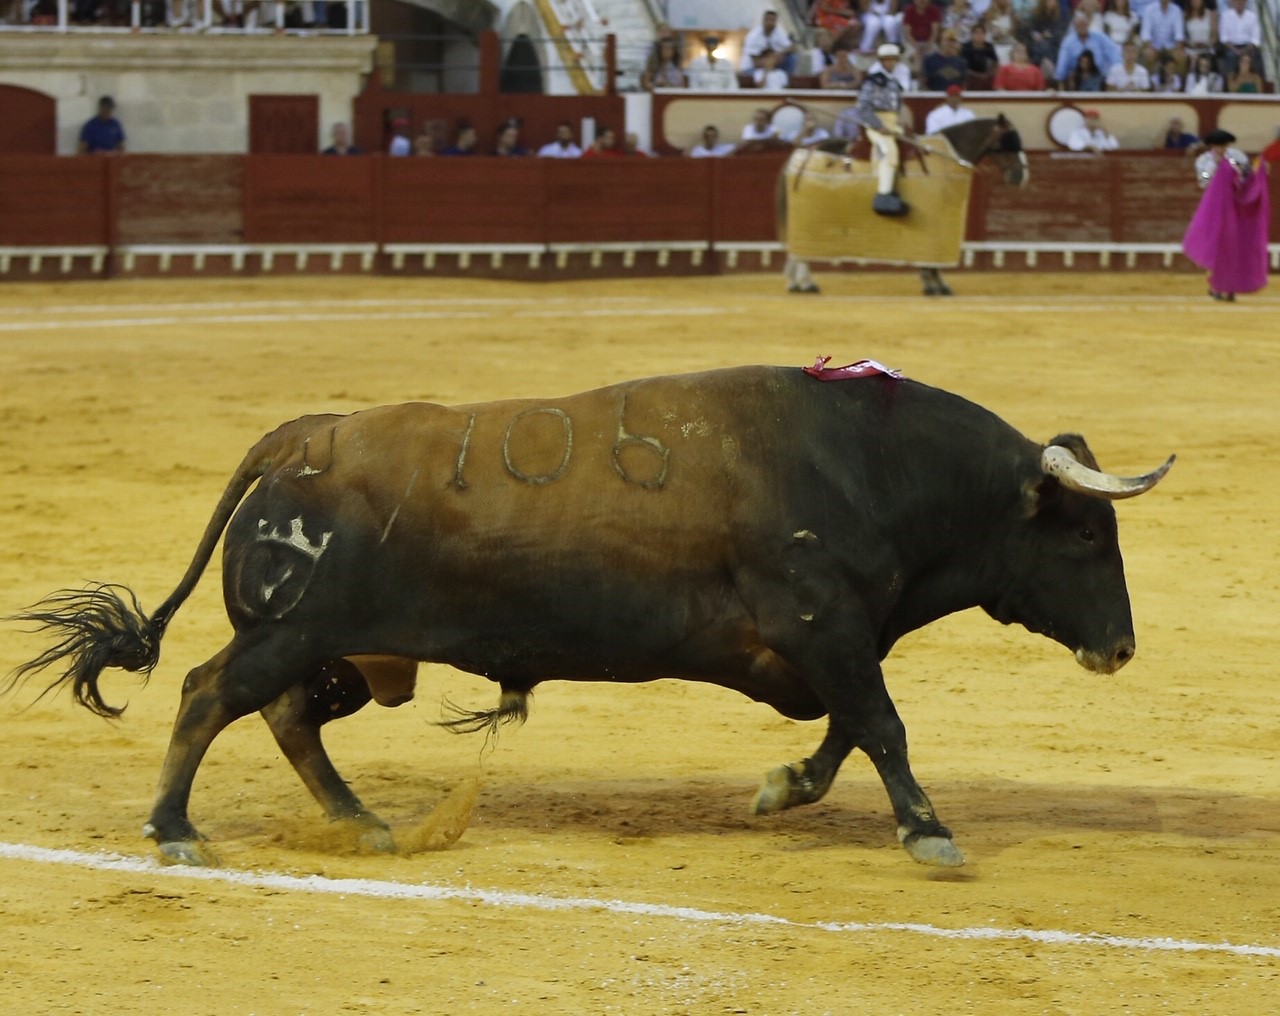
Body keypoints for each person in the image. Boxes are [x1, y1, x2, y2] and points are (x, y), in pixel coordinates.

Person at [1182, 128, 1270, 301]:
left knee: (1233, 247)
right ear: (1211, 146)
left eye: (1223, 145)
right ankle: (1216, 287)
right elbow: (1203, 180)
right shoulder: (1204, 161)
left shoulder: (1237, 156)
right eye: (1217, 145)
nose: (1220, 149)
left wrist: (1257, 171)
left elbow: (1246, 178)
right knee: (1216, 248)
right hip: (1215, 209)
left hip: (1235, 207)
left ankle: (1230, 289)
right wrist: (1214, 167)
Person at [851, 43, 910, 216]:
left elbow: (897, 109)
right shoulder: (872, 81)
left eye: (893, 60)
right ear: (881, 61)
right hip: (877, 124)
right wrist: (878, 126)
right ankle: (882, 197)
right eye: (886, 60)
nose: (890, 63)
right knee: (887, 151)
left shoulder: (894, 83)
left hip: (892, 124)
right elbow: (863, 108)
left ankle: (893, 189)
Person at [1055, 13, 1119, 83]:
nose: (1082, 27)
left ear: (1088, 24)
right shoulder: (1068, 41)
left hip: (1099, 76)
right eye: (1079, 25)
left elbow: (1113, 52)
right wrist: (1060, 78)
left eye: (1084, 24)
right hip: (1077, 78)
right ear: (1075, 27)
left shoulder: (1099, 36)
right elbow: (1062, 63)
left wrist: (1117, 70)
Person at [741, 9, 796, 74]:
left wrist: (780, 54)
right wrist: (772, 61)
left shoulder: (778, 31)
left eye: (773, 20)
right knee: (763, 76)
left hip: (772, 65)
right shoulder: (753, 36)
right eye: (769, 20)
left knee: (792, 57)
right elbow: (755, 62)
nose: (771, 23)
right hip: (752, 68)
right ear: (764, 21)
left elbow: (792, 48)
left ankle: (787, 81)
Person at [1215, 0, 1261, 78]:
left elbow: (1255, 39)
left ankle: (1254, 83)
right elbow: (1224, 38)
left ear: (1245, 2)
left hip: (1248, 47)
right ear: (1232, 2)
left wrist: (1244, 51)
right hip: (1231, 47)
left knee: (1254, 56)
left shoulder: (1252, 17)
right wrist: (1235, 50)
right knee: (1230, 56)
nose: (1238, 4)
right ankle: (1229, 84)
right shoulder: (1225, 16)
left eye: (1241, 1)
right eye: (1236, 1)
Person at [960, 22, 999, 88]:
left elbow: (995, 63)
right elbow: (961, 65)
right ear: (972, 35)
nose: (979, 35)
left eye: (981, 33)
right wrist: (976, 75)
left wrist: (990, 73)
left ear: (985, 35)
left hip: (986, 77)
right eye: (976, 33)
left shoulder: (989, 46)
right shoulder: (966, 47)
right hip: (970, 77)